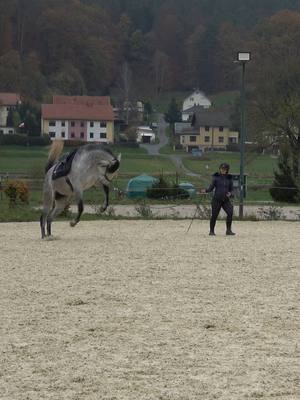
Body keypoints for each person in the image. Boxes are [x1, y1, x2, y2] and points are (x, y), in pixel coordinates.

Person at [201, 162, 235, 236]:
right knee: (214, 215)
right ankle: (211, 231)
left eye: (224, 169)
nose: (223, 170)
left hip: (225, 200)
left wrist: (231, 193)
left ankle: (228, 230)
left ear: (227, 170)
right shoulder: (216, 178)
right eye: (221, 169)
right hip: (216, 200)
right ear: (220, 169)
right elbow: (211, 188)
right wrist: (205, 190)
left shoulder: (229, 179)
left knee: (230, 212)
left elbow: (232, 189)